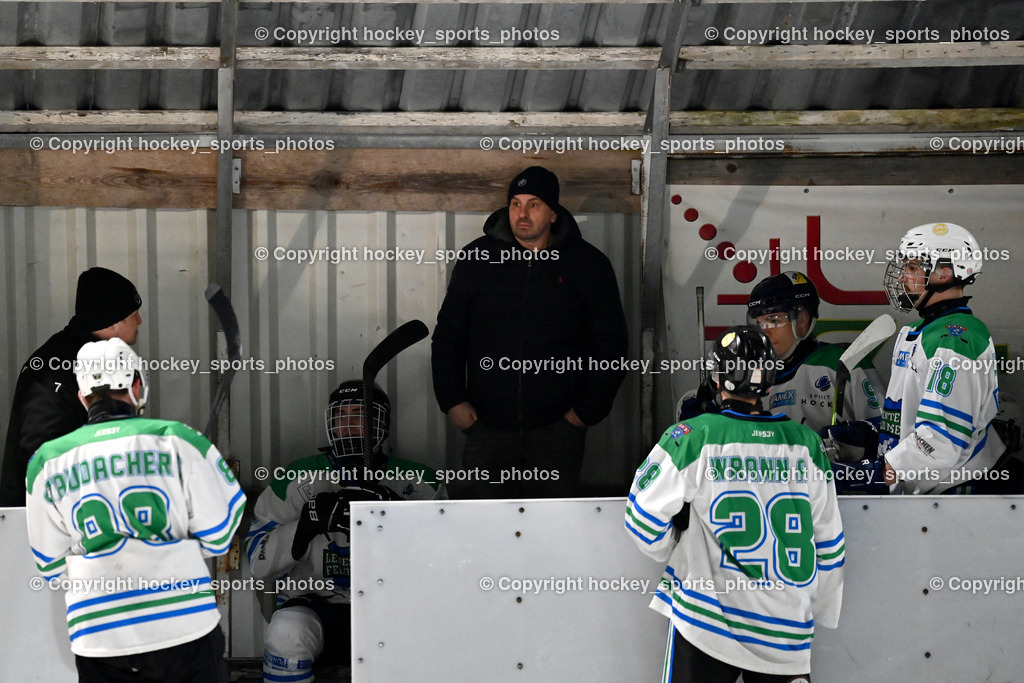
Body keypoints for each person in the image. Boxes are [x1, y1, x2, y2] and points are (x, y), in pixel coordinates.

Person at [626, 326, 844, 683]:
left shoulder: (693, 437)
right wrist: (817, 607)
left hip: (707, 620)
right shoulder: (806, 444)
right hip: (784, 627)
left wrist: (676, 548)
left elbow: (642, 520)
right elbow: (828, 540)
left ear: (717, 376)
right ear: (770, 379)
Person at [25, 338, 244, 683]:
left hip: (100, 640)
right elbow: (219, 537)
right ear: (137, 384)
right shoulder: (180, 440)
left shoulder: (46, 461)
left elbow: (50, 565)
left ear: (82, 397)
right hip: (184, 629)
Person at [431, 165, 629, 498]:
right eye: (515, 204)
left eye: (533, 204)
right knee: (486, 526)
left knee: (551, 530)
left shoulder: (588, 266)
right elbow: (449, 337)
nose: (522, 214)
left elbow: (611, 346)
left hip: (558, 430)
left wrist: (582, 414)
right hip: (486, 428)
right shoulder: (477, 260)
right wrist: (453, 402)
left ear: (553, 213)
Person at [246, 380, 444, 683]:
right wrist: (306, 526)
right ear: (331, 423)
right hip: (316, 606)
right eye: (342, 416)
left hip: (393, 606)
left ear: (383, 424)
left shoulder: (419, 481)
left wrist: (400, 517)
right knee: (286, 633)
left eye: (361, 416)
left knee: (437, 636)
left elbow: (447, 565)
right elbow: (258, 564)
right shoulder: (295, 478)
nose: (350, 425)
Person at [878, 222, 1003, 494]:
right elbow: (913, 415)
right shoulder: (917, 333)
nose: (902, 278)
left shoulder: (955, 340)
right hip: (926, 500)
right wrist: (872, 429)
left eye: (912, 268)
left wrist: (878, 470)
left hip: (954, 501)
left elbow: (941, 442)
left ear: (944, 273)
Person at [2, 266, 142, 506]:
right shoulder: (54, 369)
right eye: (133, 314)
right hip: (39, 523)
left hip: (82, 513)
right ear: (112, 321)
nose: (140, 320)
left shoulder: (99, 359)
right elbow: (42, 453)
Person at [747, 271, 883, 434]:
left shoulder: (843, 361)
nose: (765, 332)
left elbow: (886, 429)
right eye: (760, 324)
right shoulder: (753, 376)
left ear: (803, 319)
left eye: (774, 321)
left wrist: (857, 436)